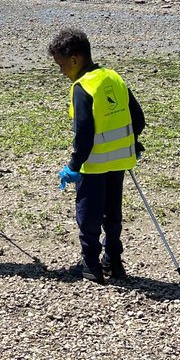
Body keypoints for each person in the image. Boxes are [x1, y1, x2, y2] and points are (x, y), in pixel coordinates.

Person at [49, 28, 146, 285]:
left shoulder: (83, 87)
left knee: (88, 215)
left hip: (93, 165)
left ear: (74, 59)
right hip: (119, 161)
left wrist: (73, 165)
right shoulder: (114, 77)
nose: (61, 71)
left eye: (60, 64)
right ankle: (114, 261)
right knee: (112, 214)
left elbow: (84, 133)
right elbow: (138, 118)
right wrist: (131, 142)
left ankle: (90, 263)